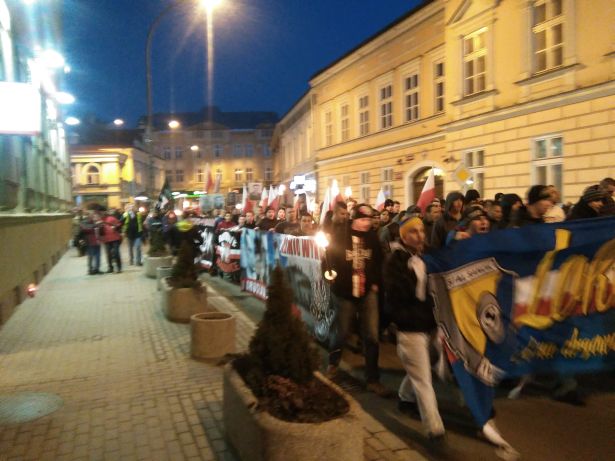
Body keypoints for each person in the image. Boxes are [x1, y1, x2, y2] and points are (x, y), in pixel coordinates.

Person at [384, 213, 445, 439]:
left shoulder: (427, 256)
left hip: (429, 323)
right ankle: (434, 427)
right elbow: (399, 296)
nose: (420, 236)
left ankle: (404, 396)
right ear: (403, 236)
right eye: (413, 231)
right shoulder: (395, 262)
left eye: (421, 231)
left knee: (423, 366)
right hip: (410, 326)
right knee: (423, 379)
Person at [324, 204, 390, 397]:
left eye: (369, 219)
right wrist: (330, 275)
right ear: (354, 220)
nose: (367, 223)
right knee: (342, 332)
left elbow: (378, 262)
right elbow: (328, 259)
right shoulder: (340, 236)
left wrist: (376, 283)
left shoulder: (373, 238)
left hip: (368, 292)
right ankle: (333, 364)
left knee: (371, 336)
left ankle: (372, 379)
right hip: (345, 292)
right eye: (363, 219)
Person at [80, 210, 104, 275]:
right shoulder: (84, 222)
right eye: (93, 215)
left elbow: (101, 232)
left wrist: (101, 226)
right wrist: (96, 225)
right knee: (90, 256)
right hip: (90, 242)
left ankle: (97, 269)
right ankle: (90, 270)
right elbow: (85, 229)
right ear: (89, 216)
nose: (94, 216)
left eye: (95, 215)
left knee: (98, 256)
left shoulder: (97, 222)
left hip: (97, 242)